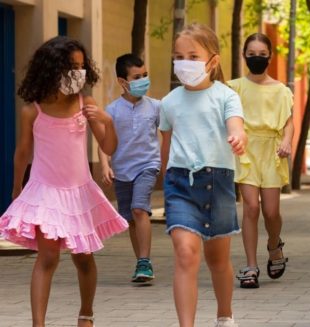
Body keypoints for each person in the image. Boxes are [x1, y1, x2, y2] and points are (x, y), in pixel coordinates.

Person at [0, 36, 128, 327]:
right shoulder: (33, 110)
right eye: (71, 66)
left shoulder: (87, 104)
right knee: (47, 259)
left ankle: (86, 314)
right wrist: (17, 190)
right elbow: (22, 153)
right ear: (51, 68)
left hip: (79, 194)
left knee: (83, 258)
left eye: (82, 67)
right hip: (45, 193)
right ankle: (38, 323)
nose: (78, 73)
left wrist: (107, 121)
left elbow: (108, 148)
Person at [160, 23, 247, 327]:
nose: (184, 63)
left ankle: (225, 315)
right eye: (179, 56)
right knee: (186, 253)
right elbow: (166, 146)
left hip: (217, 183)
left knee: (218, 260)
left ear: (213, 61)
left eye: (193, 56)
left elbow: (236, 125)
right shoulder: (169, 102)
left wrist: (238, 138)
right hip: (180, 183)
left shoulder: (226, 96)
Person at [228, 33, 293, 289]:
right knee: (251, 208)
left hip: (272, 151)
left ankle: (274, 244)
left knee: (271, 211)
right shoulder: (234, 88)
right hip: (246, 150)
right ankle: (251, 265)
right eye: (251, 54)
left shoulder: (281, 90)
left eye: (262, 54)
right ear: (244, 55)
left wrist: (287, 141)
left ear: (270, 57)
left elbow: (289, 122)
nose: (257, 58)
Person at [98, 53, 160, 283]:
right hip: (122, 171)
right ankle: (141, 264)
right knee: (131, 219)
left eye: (145, 75)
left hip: (148, 166)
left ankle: (145, 261)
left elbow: (170, 133)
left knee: (139, 209)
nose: (143, 80)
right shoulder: (112, 111)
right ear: (122, 82)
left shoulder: (155, 107)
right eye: (137, 77)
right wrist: (105, 165)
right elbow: (103, 143)